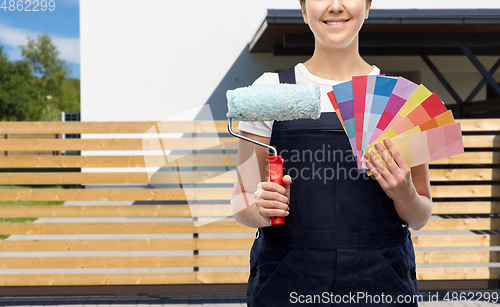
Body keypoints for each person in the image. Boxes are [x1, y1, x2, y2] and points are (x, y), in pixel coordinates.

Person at [230, 0, 433, 306]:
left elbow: (420, 215)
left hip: (380, 282)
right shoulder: (270, 91)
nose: (335, 6)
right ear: (302, 8)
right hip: (288, 282)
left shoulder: (401, 98)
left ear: (367, 6)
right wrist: (259, 208)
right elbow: (240, 199)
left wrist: (404, 193)